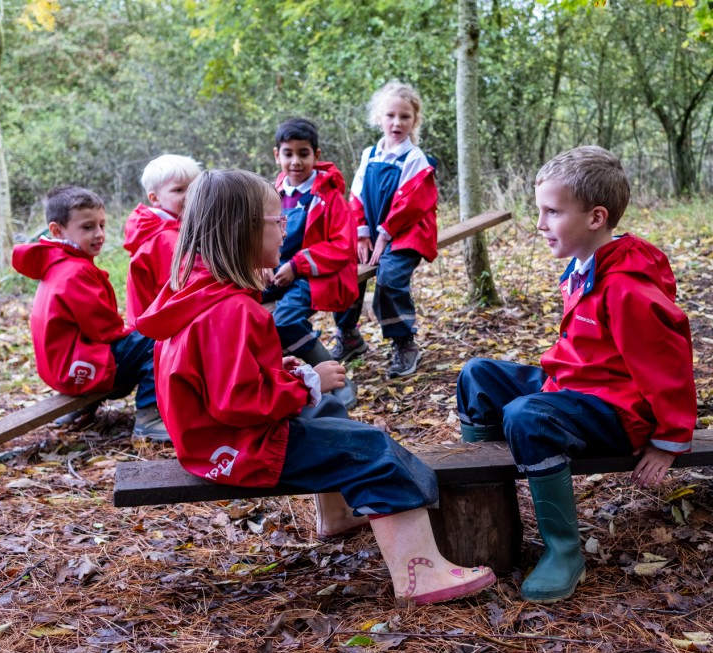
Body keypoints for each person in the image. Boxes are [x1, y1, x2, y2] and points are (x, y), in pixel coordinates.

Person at [137, 169, 496, 604]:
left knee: (330, 418)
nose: (284, 229)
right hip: (239, 447)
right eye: (277, 221)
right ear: (245, 229)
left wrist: (275, 369)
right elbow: (238, 403)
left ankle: (337, 516)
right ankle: (420, 574)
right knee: (372, 451)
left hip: (211, 440)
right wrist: (308, 380)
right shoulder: (231, 310)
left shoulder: (197, 291)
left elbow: (219, 379)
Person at [455, 146, 696, 603]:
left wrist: (668, 442)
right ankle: (485, 502)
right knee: (478, 375)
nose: (540, 224)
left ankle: (564, 550)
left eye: (552, 212)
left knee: (526, 416)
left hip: (618, 415)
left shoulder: (626, 289)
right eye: (539, 211)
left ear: (595, 217)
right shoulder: (584, 266)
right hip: (574, 389)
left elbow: (670, 365)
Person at [12, 186, 170, 442]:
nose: (99, 234)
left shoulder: (57, 263)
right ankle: (149, 417)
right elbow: (106, 330)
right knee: (158, 340)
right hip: (79, 370)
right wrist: (139, 329)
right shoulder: (75, 272)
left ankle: (80, 407)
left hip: (62, 367)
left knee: (137, 341)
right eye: (87, 227)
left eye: (102, 225)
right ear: (57, 230)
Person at [333, 81, 438, 378]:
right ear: (378, 118)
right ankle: (348, 334)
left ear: (414, 121)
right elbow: (357, 194)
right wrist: (363, 232)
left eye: (405, 116)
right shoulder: (370, 154)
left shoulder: (415, 159)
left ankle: (404, 342)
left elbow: (412, 204)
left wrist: (385, 235)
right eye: (390, 115)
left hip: (406, 230)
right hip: (375, 230)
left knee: (390, 278)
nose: (397, 122)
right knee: (344, 267)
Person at [261, 118, 358, 410]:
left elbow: (343, 245)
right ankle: (268, 379)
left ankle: (336, 377)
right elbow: (262, 234)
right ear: (276, 155)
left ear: (316, 156)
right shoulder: (273, 193)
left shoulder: (327, 194)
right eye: (288, 153)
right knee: (247, 306)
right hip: (279, 273)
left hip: (318, 274)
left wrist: (298, 265)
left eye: (303, 153)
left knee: (284, 319)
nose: (295, 161)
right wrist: (261, 263)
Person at [123, 154, 202, 326]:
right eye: (179, 190)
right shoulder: (165, 238)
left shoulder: (172, 227)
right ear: (154, 198)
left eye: (195, 188)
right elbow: (188, 289)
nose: (190, 195)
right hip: (160, 328)